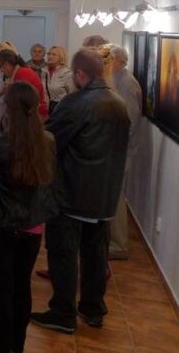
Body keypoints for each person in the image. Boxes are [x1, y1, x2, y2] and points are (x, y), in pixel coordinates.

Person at [31, 49, 129, 334]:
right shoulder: (118, 104)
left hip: (72, 193)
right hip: (104, 195)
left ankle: (63, 312)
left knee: (63, 254)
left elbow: (49, 141)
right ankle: (93, 308)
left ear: (80, 74)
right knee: (96, 255)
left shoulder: (76, 103)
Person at [0, 83, 59, 353]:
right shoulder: (47, 142)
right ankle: (17, 343)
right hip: (32, 226)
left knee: (0, 290)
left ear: (8, 109)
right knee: (22, 285)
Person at [105, 44, 142, 261]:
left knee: (117, 196)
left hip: (119, 150)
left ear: (117, 60)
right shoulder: (116, 78)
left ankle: (118, 245)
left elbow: (129, 121)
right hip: (115, 148)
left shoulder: (126, 83)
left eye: (107, 58)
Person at [0, 48, 48, 118]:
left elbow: (19, 103)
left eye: (0, 68)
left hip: (33, 117)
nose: (1, 72)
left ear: (6, 64)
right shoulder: (23, 71)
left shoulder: (21, 74)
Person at [42, 45, 76, 112]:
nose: (50, 56)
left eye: (54, 54)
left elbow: (73, 96)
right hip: (47, 109)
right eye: (49, 54)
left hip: (62, 110)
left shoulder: (67, 74)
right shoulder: (44, 72)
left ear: (61, 57)